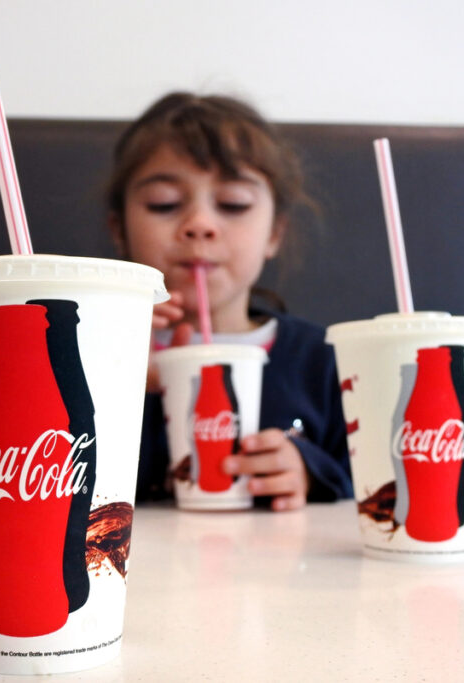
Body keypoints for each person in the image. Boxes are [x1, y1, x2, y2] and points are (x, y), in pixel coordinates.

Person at [106, 92, 351, 511]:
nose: (199, 224)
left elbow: (365, 483)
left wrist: (309, 472)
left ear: (275, 233)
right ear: (120, 230)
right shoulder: (97, 357)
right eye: (164, 203)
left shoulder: (322, 361)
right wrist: (119, 381)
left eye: (234, 204)